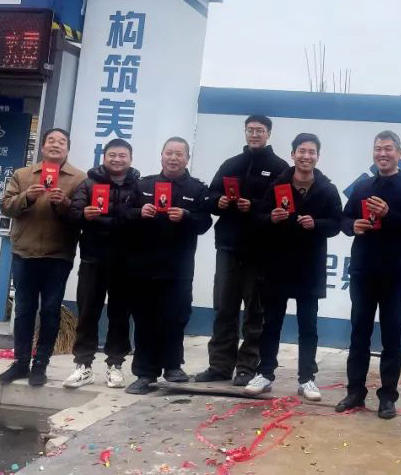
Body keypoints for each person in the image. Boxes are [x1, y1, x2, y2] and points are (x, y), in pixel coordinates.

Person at [335, 131, 401, 419]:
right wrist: (353, 226)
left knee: (391, 336)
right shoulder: (362, 186)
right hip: (362, 270)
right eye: (378, 149)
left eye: (388, 149)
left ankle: (387, 397)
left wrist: (389, 214)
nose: (382, 154)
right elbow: (344, 218)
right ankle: (355, 392)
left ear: (399, 153)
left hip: (394, 272)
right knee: (359, 333)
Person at [245, 133, 342, 401]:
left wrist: (317, 224)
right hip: (277, 266)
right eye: (301, 151)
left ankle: (307, 378)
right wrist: (271, 218)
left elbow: (337, 223)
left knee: (308, 326)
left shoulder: (327, 189)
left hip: (309, 268)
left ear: (317, 157)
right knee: (271, 323)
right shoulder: (277, 185)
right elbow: (257, 218)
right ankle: (264, 373)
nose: (306, 156)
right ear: (293, 155)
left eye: (311, 152)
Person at [195, 115, 290, 386]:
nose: (254, 135)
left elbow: (283, 207)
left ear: (268, 134)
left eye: (260, 130)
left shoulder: (280, 168)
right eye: (250, 130)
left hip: (260, 251)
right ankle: (219, 366)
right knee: (223, 308)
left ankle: (248, 367)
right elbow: (208, 198)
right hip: (228, 247)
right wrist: (219, 201)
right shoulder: (231, 164)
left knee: (255, 312)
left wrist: (255, 206)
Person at [0, 128, 85, 387]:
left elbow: (80, 216)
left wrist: (64, 203)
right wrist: (27, 197)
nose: (56, 145)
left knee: (50, 310)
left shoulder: (80, 178)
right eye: (51, 141)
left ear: (68, 148)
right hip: (24, 252)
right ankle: (20, 362)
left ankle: (41, 364)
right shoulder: (23, 175)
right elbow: (5, 207)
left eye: (62, 142)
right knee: (24, 309)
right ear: (43, 147)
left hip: (58, 254)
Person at [124, 137, 212, 395]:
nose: (173, 158)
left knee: (176, 318)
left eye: (179, 154)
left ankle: (173, 367)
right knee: (145, 320)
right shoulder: (143, 185)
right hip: (144, 268)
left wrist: (186, 216)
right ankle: (145, 373)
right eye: (169, 153)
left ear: (187, 158)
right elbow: (124, 215)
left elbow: (205, 223)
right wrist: (139, 212)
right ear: (161, 155)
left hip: (178, 268)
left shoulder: (197, 189)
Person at [62, 138, 140, 390]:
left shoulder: (139, 186)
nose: (117, 159)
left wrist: (135, 215)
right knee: (87, 313)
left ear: (130, 159)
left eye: (122, 155)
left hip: (125, 261)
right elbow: (72, 215)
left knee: (120, 315)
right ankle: (83, 365)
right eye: (112, 155)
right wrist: (83, 214)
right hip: (93, 259)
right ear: (104, 157)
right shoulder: (88, 183)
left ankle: (115, 365)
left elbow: (144, 219)